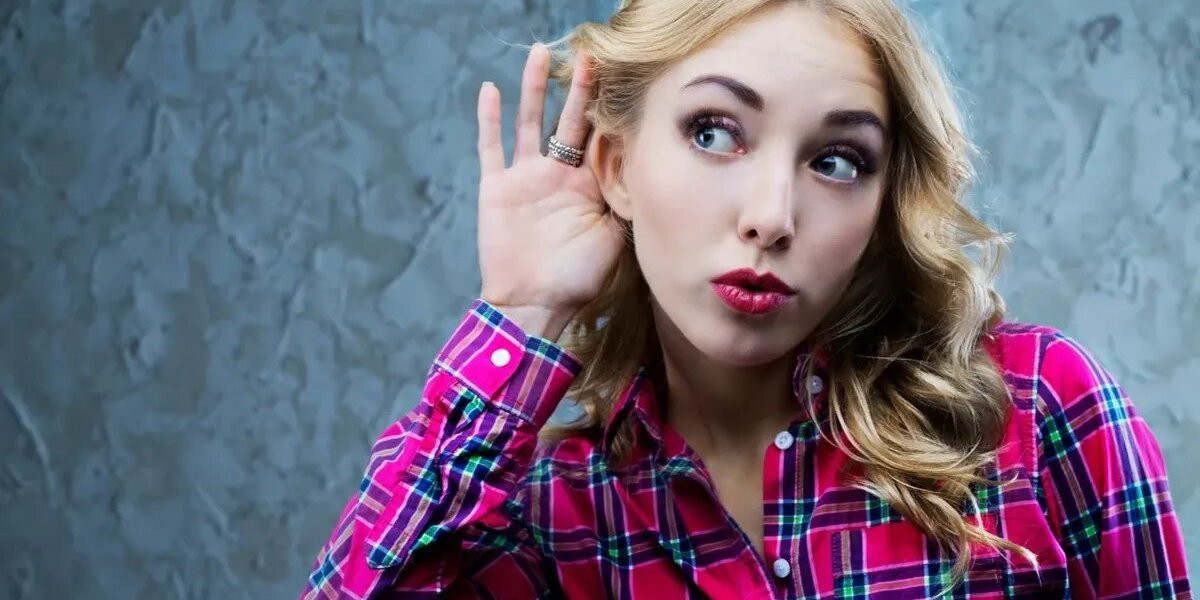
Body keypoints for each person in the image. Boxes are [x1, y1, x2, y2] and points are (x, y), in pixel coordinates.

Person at [302, 0, 1192, 598]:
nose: (771, 216)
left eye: (837, 161)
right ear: (616, 166)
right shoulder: (549, 515)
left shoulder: (1035, 408)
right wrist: (524, 313)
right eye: (714, 133)